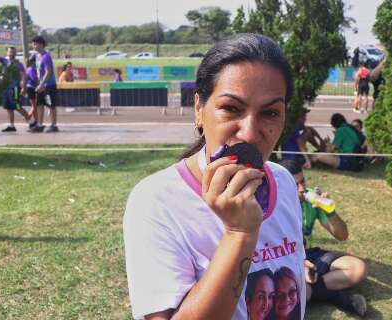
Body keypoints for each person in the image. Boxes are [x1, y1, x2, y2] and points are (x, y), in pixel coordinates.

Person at [123, 34, 306, 320]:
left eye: (270, 112)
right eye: (231, 108)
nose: (249, 132)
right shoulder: (156, 202)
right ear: (199, 109)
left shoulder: (282, 181)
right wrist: (239, 233)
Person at [279, 159, 367, 317]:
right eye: (295, 185)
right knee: (287, 293)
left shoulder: (311, 198)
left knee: (357, 269)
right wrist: (300, 263)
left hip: (309, 254)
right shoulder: (275, 206)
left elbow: (342, 235)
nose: (302, 188)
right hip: (285, 258)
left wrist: (329, 211)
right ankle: (338, 297)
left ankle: (312, 291)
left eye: (303, 181)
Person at [0, 47, 32, 132]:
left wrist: (24, 87)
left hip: (15, 89)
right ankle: (12, 126)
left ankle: (31, 123)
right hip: (5, 89)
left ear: (15, 53)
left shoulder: (18, 64)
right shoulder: (4, 61)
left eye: (13, 52)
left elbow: (24, 76)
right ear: (7, 53)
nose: (11, 53)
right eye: (10, 52)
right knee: (8, 107)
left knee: (17, 106)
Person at [29, 36, 59, 133]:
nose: (34, 46)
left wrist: (41, 84)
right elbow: (39, 72)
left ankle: (54, 125)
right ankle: (40, 125)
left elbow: (48, 72)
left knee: (51, 105)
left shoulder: (46, 56)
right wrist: (38, 84)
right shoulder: (37, 56)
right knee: (39, 105)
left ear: (41, 44)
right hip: (41, 86)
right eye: (33, 44)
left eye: (36, 44)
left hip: (49, 86)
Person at [25, 55, 39, 131]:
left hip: (30, 88)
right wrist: (40, 84)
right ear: (33, 61)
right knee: (34, 106)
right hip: (31, 88)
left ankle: (35, 121)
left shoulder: (28, 68)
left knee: (34, 106)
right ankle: (28, 117)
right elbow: (34, 79)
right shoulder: (32, 69)